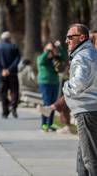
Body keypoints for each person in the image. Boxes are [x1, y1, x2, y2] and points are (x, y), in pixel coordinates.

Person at [63, 24, 97, 175]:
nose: (67, 41)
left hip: (86, 110)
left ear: (81, 37)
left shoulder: (82, 56)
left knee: (90, 158)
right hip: (90, 109)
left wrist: (66, 88)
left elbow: (79, 83)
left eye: (70, 37)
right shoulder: (92, 53)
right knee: (82, 160)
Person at [36, 41, 67, 132]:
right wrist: (48, 50)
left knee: (53, 103)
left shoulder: (54, 59)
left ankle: (50, 123)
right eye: (49, 48)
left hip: (54, 82)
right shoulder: (41, 57)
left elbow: (64, 58)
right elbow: (41, 60)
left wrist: (59, 47)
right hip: (44, 83)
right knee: (47, 102)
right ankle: (44, 124)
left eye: (52, 49)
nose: (51, 50)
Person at [0, 31, 21, 119]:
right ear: (9, 38)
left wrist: (2, 70)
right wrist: (9, 69)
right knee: (14, 91)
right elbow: (17, 59)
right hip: (12, 73)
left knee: (3, 93)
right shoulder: (14, 46)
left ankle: (5, 112)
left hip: (2, 74)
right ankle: (13, 107)